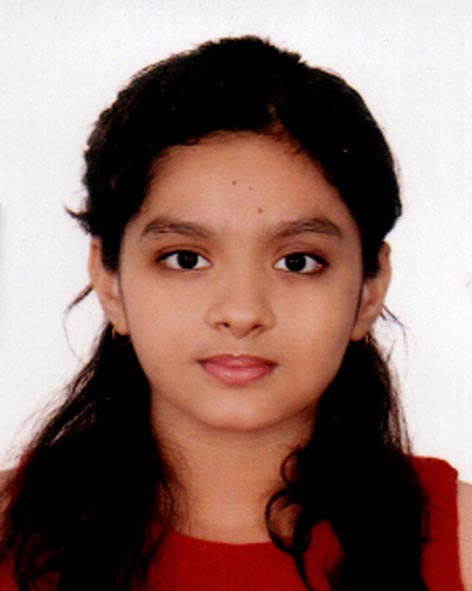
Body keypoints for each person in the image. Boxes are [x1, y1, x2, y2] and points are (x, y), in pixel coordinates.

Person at [0, 35, 470, 591]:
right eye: (185, 259)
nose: (242, 313)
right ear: (110, 281)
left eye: (297, 262)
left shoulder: (461, 546)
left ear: (370, 289)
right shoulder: (8, 532)